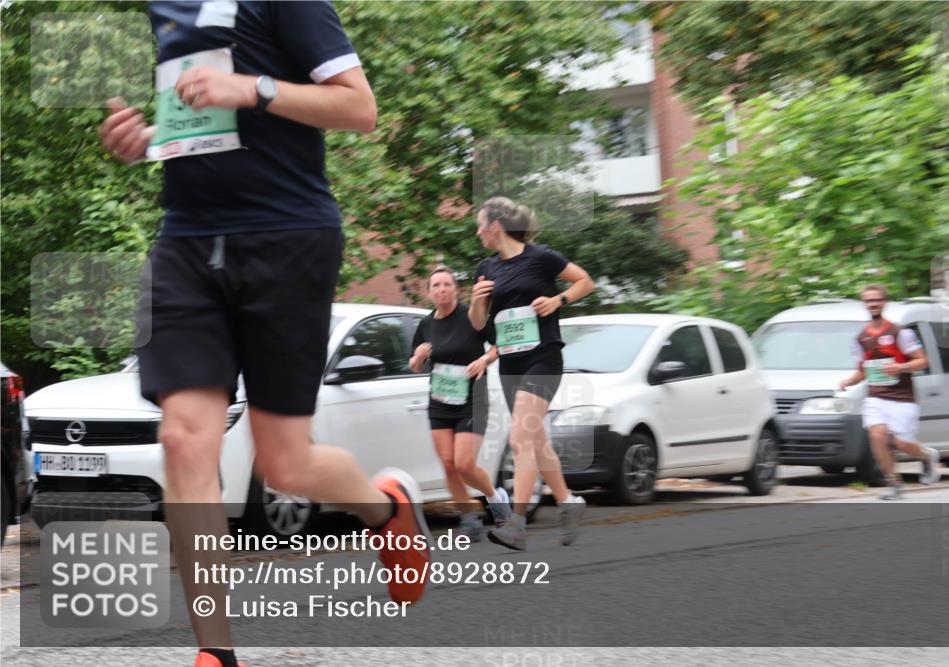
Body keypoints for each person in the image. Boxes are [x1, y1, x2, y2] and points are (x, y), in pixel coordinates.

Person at [99, 3, 429, 666]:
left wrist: (253, 88)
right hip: (187, 241)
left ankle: (386, 508)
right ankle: (216, 654)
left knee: (285, 465)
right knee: (183, 437)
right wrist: (148, 138)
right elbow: (205, 125)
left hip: (288, 235)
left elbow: (359, 107)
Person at [468, 196, 595, 550]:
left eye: (480, 226)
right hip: (510, 363)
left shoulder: (541, 258)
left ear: (495, 226)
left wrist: (558, 300)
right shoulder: (487, 268)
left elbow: (585, 281)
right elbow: (478, 324)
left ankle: (517, 524)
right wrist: (476, 301)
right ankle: (568, 502)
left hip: (543, 358)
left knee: (520, 440)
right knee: (535, 442)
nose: (478, 233)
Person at [409, 265, 514, 541]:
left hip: (472, 399)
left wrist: (484, 360)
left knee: (464, 464)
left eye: (447, 284)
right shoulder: (426, 324)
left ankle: (496, 499)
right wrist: (419, 357)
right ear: (429, 292)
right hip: (440, 401)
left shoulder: (471, 316)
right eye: (436, 285)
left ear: (456, 289)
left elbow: (500, 344)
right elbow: (415, 364)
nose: (441, 289)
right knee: (448, 464)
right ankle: (469, 519)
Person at [839, 285, 941, 500]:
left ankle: (926, 456)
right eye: (868, 301)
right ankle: (894, 484)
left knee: (901, 443)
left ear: (884, 302)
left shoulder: (900, 333)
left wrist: (901, 367)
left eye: (876, 300)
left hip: (902, 398)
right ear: (864, 304)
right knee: (877, 435)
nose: (873, 304)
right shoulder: (861, 338)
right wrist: (850, 380)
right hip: (876, 396)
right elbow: (863, 370)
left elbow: (923, 361)